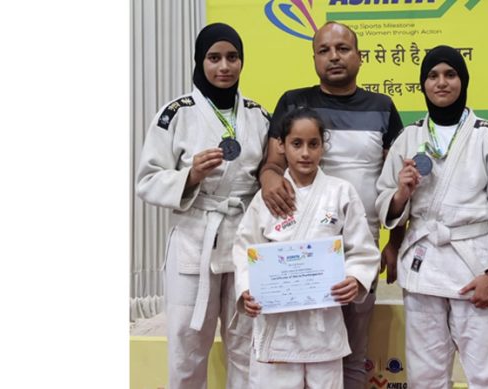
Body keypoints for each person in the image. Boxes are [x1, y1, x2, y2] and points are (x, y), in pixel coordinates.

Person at [258, 21, 404, 388]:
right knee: (297, 357)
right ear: (314, 58)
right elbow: (273, 163)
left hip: (358, 249)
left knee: (353, 354)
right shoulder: (294, 101)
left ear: (359, 56)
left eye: (342, 48)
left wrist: (395, 242)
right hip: (300, 251)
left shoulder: (382, 107)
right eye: (324, 50)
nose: (333, 57)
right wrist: (269, 177)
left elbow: (396, 182)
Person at [374, 45, 488, 389]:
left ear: (463, 80)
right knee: (425, 373)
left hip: (474, 266)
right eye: (432, 76)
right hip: (424, 266)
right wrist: (401, 193)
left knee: (484, 372)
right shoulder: (408, 137)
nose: (441, 83)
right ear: (423, 85)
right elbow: (385, 200)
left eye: (450, 74)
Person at [135, 23, 271, 389]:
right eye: (214, 58)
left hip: (244, 234)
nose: (223, 66)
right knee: (186, 341)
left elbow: (270, 175)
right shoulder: (175, 114)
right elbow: (146, 180)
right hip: (195, 234)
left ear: (242, 62)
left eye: (232, 57)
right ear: (200, 61)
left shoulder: (258, 116)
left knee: (247, 340)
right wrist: (189, 176)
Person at [233, 107, 381, 389]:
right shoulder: (268, 196)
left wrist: (355, 278)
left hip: (322, 326)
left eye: (313, 144)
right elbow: (245, 247)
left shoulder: (340, 192)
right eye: (296, 144)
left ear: (323, 146)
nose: (305, 153)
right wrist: (247, 289)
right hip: (277, 325)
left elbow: (361, 248)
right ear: (281, 146)